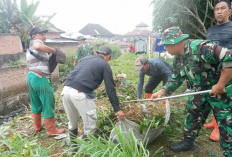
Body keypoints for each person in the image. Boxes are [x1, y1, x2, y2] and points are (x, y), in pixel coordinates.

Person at [151, 26, 232, 156]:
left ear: (174, 43)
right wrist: (162, 91)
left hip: (220, 90)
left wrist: (221, 84)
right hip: (200, 90)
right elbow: (177, 77)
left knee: (226, 123)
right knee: (192, 113)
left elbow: (229, 57)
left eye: (166, 45)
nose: (165, 49)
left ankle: (229, 152)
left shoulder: (201, 48)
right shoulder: (178, 58)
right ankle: (188, 142)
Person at [61, 46, 126, 144]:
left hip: (65, 90)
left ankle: (73, 149)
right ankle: (87, 150)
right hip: (80, 93)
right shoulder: (104, 64)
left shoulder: (84, 59)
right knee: (90, 125)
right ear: (108, 56)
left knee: (72, 122)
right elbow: (110, 88)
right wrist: (117, 109)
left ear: (98, 53)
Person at [26, 26, 65, 136]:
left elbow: (27, 66)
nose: (44, 36)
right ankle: (52, 130)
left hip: (31, 77)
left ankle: (38, 127)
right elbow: (38, 46)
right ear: (34, 36)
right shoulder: (36, 42)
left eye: (44, 34)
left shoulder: (28, 49)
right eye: (41, 34)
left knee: (36, 103)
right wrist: (54, 51)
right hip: (41, 77)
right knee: (48, 102)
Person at [203, 0, 232, 142]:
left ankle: (220, 128)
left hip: (228, 70)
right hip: (213, 70)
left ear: (230, 11)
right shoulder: (211, 30)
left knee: (225, 99)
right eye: (216, 9)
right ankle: (214, 122)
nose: (219, 11)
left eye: (223, 8)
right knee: (214, 95)